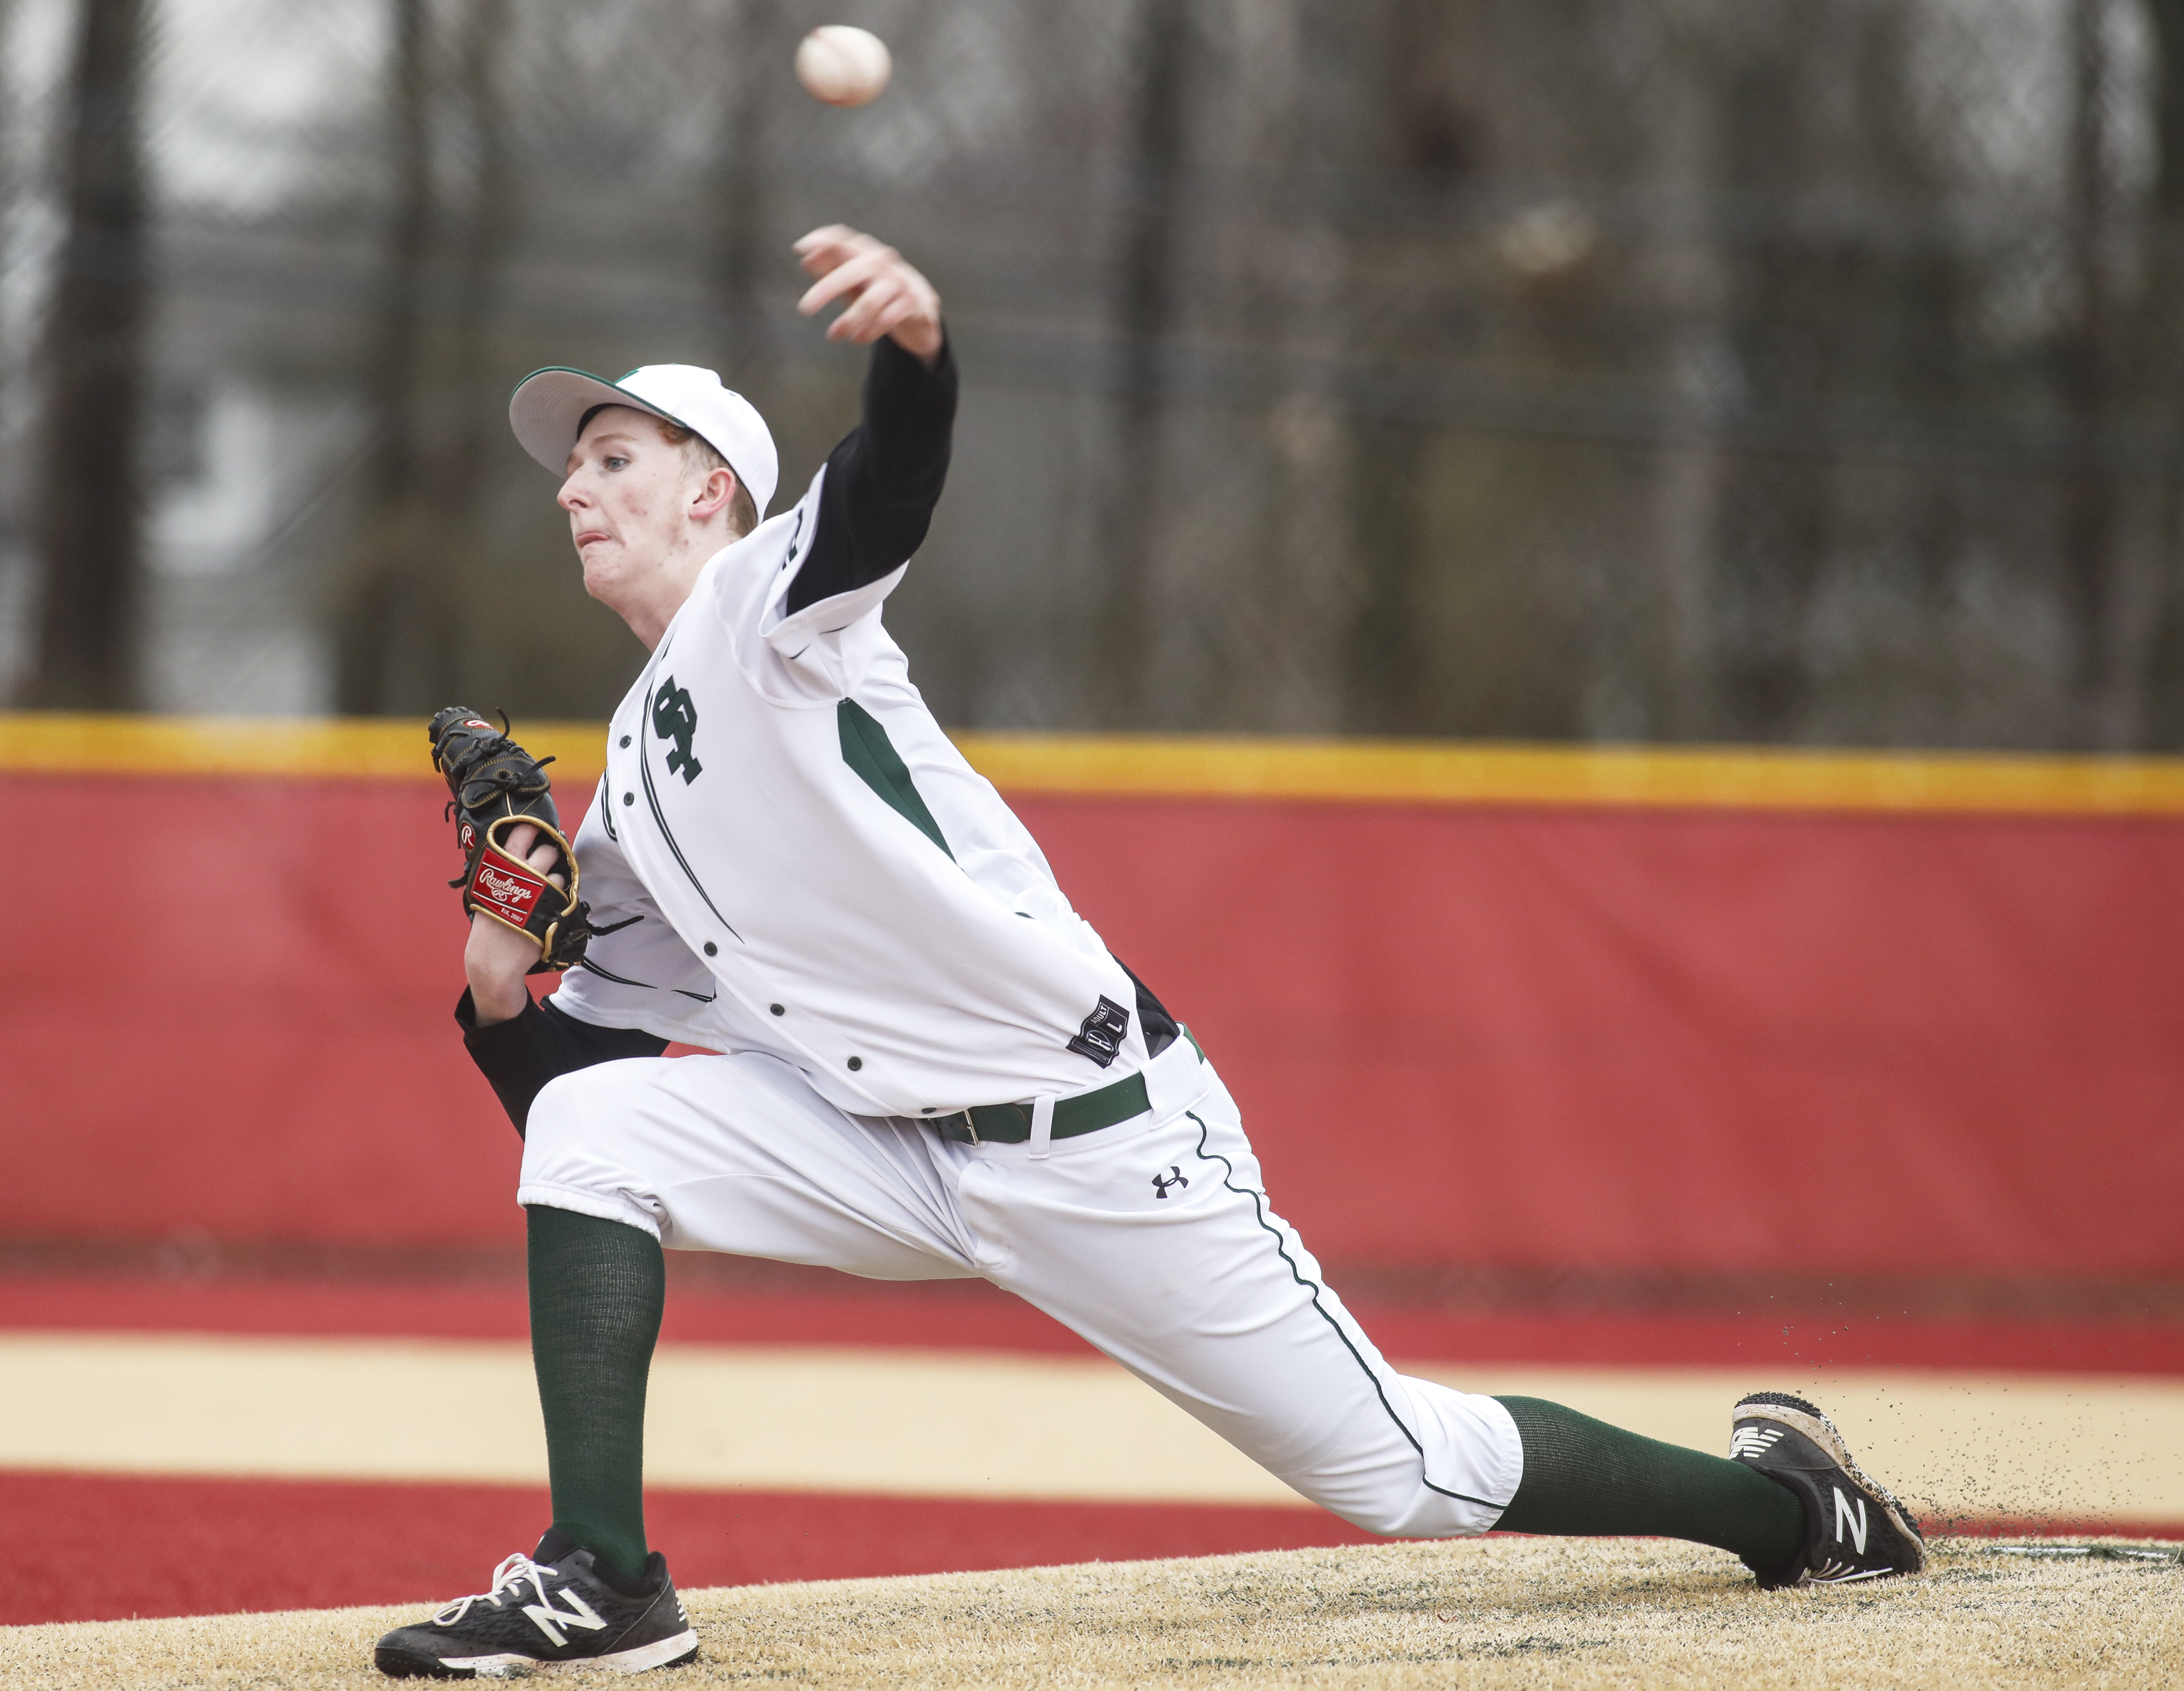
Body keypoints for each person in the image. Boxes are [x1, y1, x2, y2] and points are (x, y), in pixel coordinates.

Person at [371, 227, 1924, 1681]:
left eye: (614, 456)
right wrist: (498, 980)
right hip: (893, 1153)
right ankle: (606, 1577)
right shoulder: (630, 784)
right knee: (594, 1127)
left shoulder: (770, 605)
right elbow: (582, 1125)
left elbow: (888, 489)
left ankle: (1789, 1510)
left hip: (1099, 1141)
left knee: (1403, 1473)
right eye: (574, 469)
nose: (577, 487)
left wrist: (918, 352)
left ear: (713, 489)